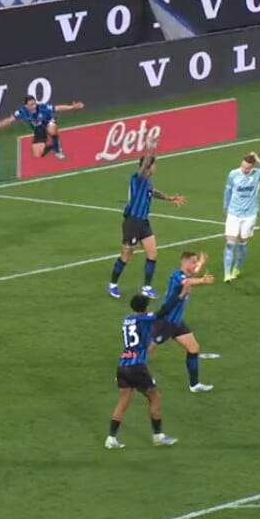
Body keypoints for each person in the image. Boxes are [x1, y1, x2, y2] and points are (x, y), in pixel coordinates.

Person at [108, 141, 187, 299]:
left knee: (152, 254)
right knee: (126, 255)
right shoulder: (137, 178)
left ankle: (146, 287)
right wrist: (150, 150)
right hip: (133, 222)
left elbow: (154, 192)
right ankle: (113, 285)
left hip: (143, 222)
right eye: (154, 165)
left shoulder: (148, 183)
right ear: (149, 167)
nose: (155, 168)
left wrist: (170, 198)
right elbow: (144, 166)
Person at [105, 294, 180, 449]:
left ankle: (111, 438)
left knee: (123, 401)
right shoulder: (144, 319)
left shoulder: (127, 319)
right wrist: (179, 296)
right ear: (145, 308)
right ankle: (158, 436)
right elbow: (163, 312)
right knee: (155, 397)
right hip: (137, 366)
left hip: (123, 365)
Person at [154, 251, 216, 393]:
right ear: (185, 262)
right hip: (165, 321)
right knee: (147, 348)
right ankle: (129, 371)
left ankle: (194, 385)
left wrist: (201, 263)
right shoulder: (176, 275)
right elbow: (186, 282)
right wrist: (202, 280)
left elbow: (191, 276)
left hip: (177, 323)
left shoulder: (186, 275)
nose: (195, 265)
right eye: (193, 262)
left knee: (193, 348)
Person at [222, 152, 260, 282]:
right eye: (243, 166)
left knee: (242, 244)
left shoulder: (258, 174)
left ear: (252, 167)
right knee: (230, 244)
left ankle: (237, 268)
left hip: (249, 215)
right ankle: (227, 274)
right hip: (234, 213)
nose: (244, 170)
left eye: (247, 168)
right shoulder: (233, 174)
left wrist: (259, 160)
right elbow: (228, 191)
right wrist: (225, 207)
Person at [0, 95, 87, 159]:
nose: (34, 106)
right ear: (26, 106)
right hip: (39, 130)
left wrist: (72, 107)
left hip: (48, 123)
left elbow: (57, 108)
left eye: (34, 103)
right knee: (38, 154)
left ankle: (57, 149)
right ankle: (51, 146)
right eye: (31, 105)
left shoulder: (42, 107)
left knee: (52, 129)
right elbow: (9, 120)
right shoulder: (22, 112)